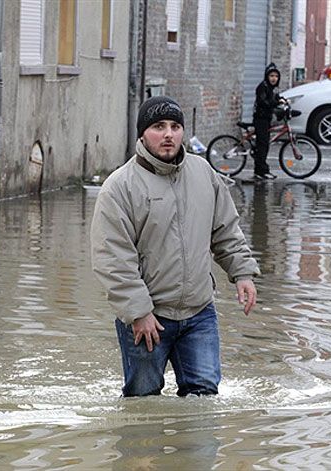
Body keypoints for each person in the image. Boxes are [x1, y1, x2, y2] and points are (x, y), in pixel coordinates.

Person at [90, 96, 260, 397]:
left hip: (199, 313)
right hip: (148, 317)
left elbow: (225, 230)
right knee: (143, 402)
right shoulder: (120, 187)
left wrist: (242, 273)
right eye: (158, 126)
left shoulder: (204, 173)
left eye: (175, 126)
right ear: (142, 134)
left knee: (204, 397)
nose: (168, 134)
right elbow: (113, 257)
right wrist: (138, 312)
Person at [252, 62, 286, 180]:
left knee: (264, 145)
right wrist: (276, 103)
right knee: (262, 146)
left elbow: (276, 98)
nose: (274, 78)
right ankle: (261, 171)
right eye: (271, 76)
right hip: (260, 119)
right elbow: (263, 102)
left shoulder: (272, 89)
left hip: (266, 119)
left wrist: (283, 100)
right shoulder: (263, 87)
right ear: (267, 76)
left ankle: (261, 170)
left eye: (276, 76)